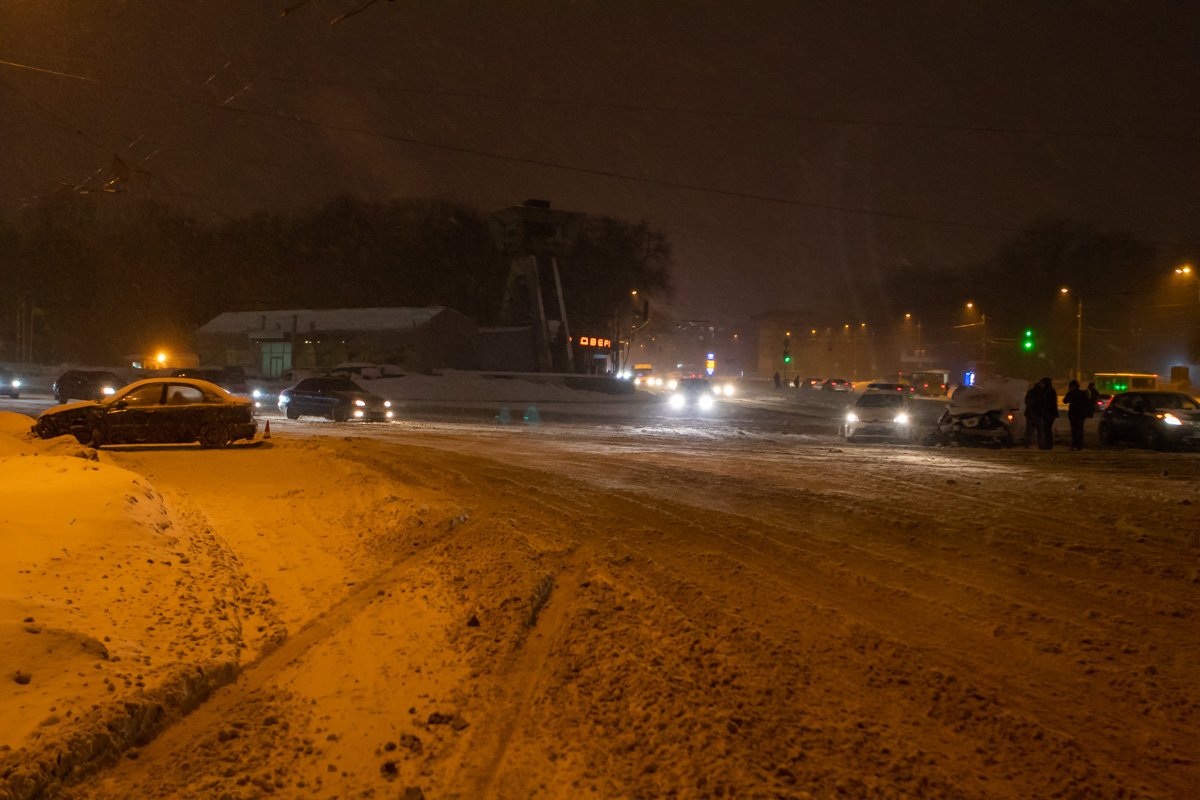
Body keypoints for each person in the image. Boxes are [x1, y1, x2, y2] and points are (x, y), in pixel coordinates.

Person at [1062, 379, 1091, 451]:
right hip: (1075, 414)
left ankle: (1078, 445)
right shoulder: (1074, 393)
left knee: (1078, 430)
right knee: (1075, 430)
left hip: (1078, 414)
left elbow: (1086, 403)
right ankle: (1076, 445)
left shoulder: (1079, 393)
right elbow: (1065, 401)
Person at [1036, 377, 1059, 450]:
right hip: (1047, 412)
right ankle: (1047, 443)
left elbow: (1049, 403)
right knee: (1046, 429)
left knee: (1047, 429)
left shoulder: (1049, 391)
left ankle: (1048, 444)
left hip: (1049, 413)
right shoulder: (1047, 391)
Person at [1022, 381, 1041, 448]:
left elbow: (1027, 402)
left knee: (1029, 430)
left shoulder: (1030, 392)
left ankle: (1027, 443)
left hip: (1030, 414)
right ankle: (1040, 444)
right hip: (1037, 414)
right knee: (1039, 430)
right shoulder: (1040, 393)